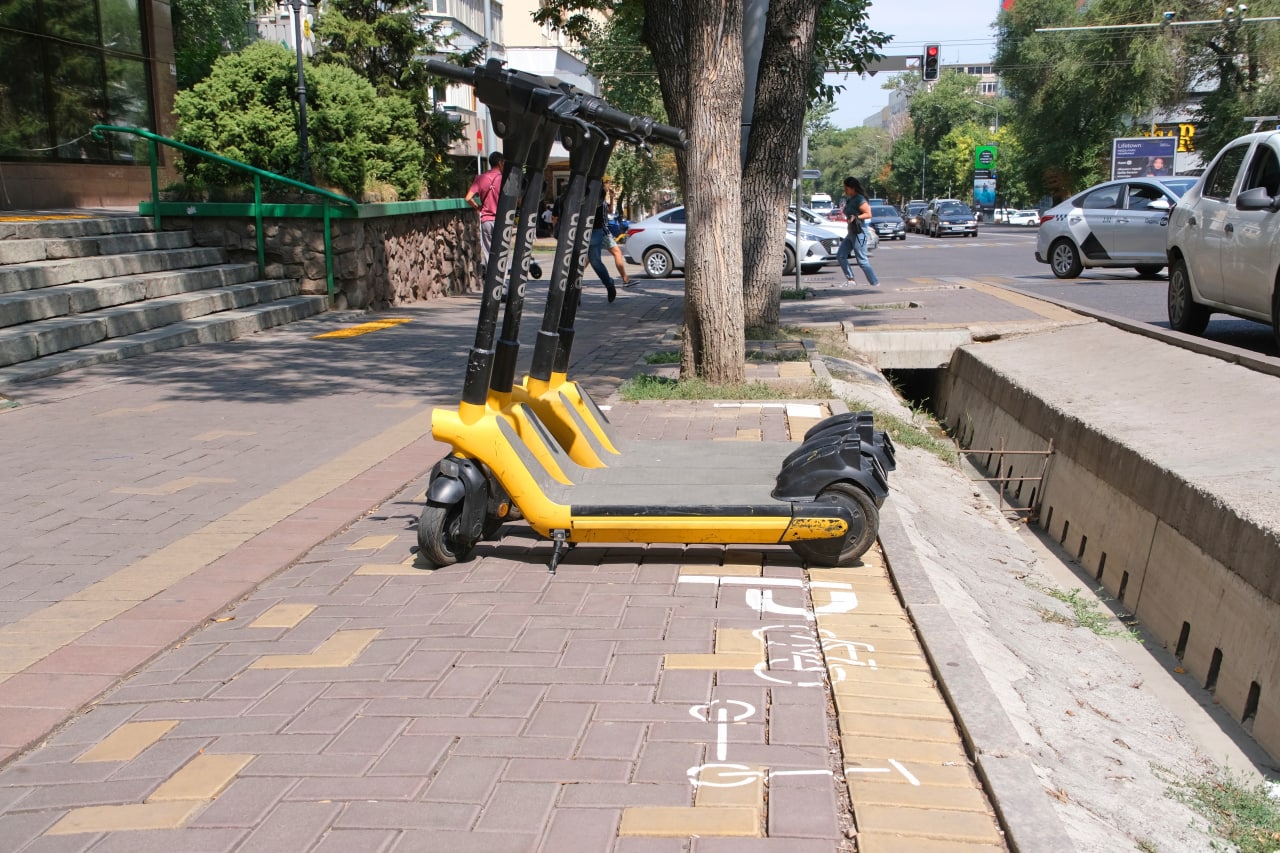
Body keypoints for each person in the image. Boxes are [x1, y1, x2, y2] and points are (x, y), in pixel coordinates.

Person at [835, 176, 880, 288]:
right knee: (841, 255)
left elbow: (868, 214)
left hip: (861, 233)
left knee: (862, 260)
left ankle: (874, 282)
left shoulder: (860, 199)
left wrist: (856, 217)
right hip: (851, 233)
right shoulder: (851, 198)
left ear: (853, 188)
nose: (845, 190)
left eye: (847, 188)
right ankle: (851, 280)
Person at [465, 151, 504, 268]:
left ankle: (491, 281)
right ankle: (502, 282)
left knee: (489, 252)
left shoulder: (480, 178)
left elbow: (468, 198)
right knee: (502, 253)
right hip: (502, 220)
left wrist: (478, 208)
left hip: (486, 220)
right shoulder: (504, 179)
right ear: (500, 163)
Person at [587, 197, 629, 302]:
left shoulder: (599, 196)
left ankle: (612, 283)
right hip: (583, 230)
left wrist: (611, 197)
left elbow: (608, 211)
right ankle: (573, 290)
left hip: (597, 231)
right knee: (583, 261)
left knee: (595, 261)